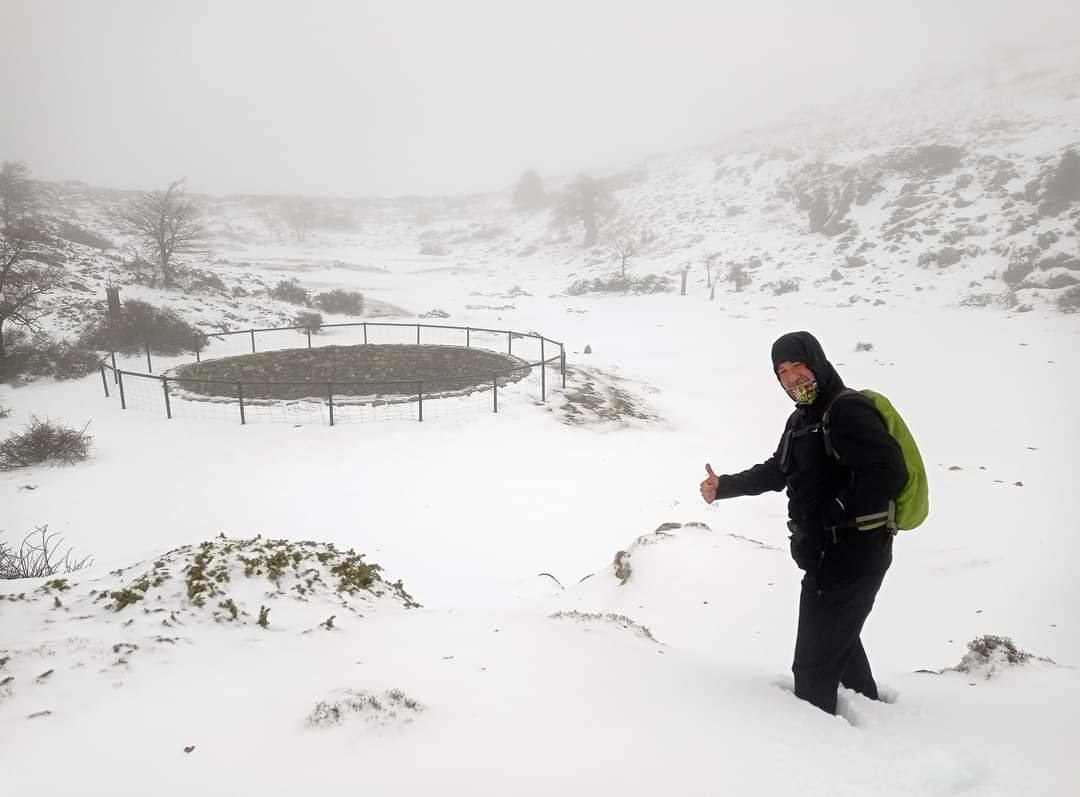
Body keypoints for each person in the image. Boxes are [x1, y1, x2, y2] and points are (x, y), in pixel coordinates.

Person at [699, 331, 908, 716]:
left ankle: (820, 749)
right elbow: (778, 471)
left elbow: (889, 473)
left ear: (818, 362)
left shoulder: (848, 410)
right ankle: (874, 716)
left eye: (799, 366)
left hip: (856, 554)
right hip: (823, 556)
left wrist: (835, 513)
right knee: (839, 649)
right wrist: (725, 486)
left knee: (812, 666)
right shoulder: (801, 420)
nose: (793, 377)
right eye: (782, 371)